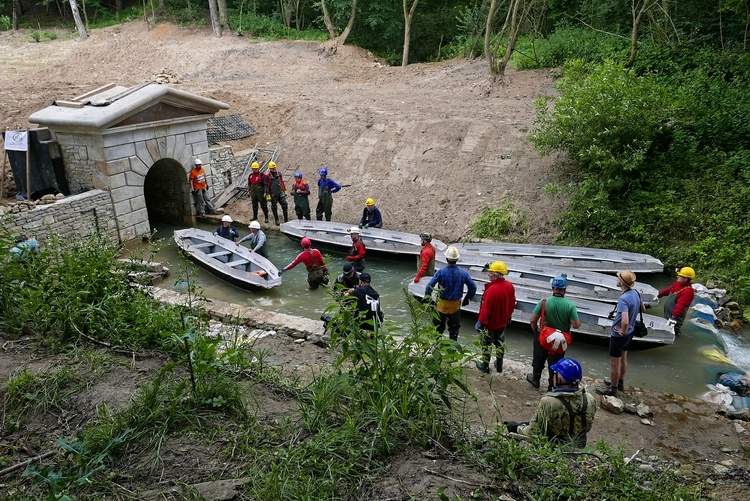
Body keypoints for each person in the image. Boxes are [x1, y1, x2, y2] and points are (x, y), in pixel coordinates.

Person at [506, 358, 596, 449]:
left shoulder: (549, 402)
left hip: (555, 446)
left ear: (560, 379)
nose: (553, 377)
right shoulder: (589, 398)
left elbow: (533, 432)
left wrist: (516, 427)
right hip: (579, 445)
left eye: (554, 374)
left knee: (516, 428)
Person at [527, 275, 581, 392]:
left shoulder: (544, 302)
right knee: (556, 363)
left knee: (538, 358)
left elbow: (532, 320)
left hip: (543, 336)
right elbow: (576, 325)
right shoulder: (570, 305)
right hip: (560, 340)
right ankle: (552, 386)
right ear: (565, 290)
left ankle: (535, 380)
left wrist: (535, 329)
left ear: (552, 288)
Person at [596, 270, 644, 397]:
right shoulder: (636, 293)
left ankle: (613, 388)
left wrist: (622, 332)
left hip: (620, 335)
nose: (616, 280)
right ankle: (620, 382)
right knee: (624, 358)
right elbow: (642, 308)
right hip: (631, 332)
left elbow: (625, 321)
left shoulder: (623, 298)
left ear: (621, 282)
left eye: (618, 278)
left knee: (614, 362)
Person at [424, 246, 477, 341]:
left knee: (437, 330)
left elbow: (429, 287)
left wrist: (428, 300)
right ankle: (452, 352)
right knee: (454, 331)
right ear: (457, 259)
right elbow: (473, 287)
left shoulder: (441, 273)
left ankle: (436, 349)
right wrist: (466, 299)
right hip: (455, 306)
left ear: (446, 259)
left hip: (441, 305)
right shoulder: (463, 273)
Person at [475, 261, 516, 374]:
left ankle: (485, 366)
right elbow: (512, 303)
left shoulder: (491, 290)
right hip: (502, 322)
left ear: (495, 274)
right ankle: (499, 366)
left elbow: (486, 310)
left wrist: (480, 323)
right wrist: (508, 316)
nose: (488, 274)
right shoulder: (509, 286)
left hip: (490, 324)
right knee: (500, 344)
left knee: (486, 345)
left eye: (490, 272)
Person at [655, 266, 696, 337]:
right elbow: (670, 289)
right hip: (669, 314)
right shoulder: (678, 284)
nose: (677, 277)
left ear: (685, 279)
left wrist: (673, 317)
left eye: (680, 276)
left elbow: (681, 305)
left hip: (675, 318)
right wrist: (660, 294)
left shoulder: (688, 292)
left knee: (673, 333)